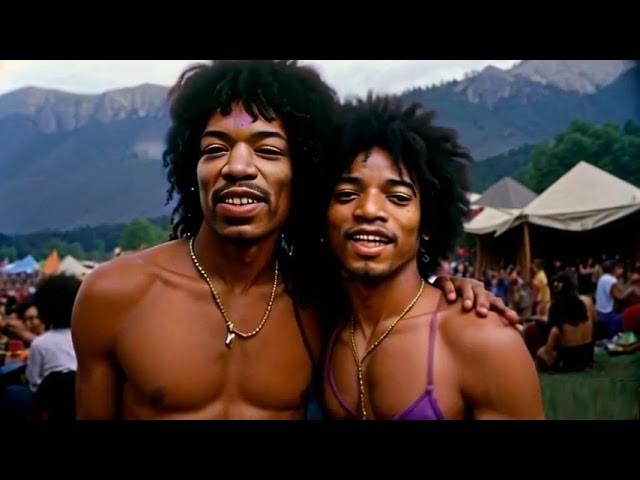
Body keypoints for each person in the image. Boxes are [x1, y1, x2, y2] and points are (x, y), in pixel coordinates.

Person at [72, 61, 518, 420]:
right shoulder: (116, 294)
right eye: (215, 149)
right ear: (192, 170)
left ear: (302, 175)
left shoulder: (321, 301)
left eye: (267, 150)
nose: (239, 166)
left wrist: (450, 286)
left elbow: (392, 293)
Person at [322, 96, 543, 420]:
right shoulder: (320, 327)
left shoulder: (483, 339)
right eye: (346, 194)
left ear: (428, 223)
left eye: (398, 197)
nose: (368, 210)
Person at [536, 272, 595, 372]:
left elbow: (554, 330)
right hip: (587, 355)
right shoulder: (586, 302)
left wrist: (547, 350)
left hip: (568, 360)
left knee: (540, 352)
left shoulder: (555, 307)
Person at [595, 260, 635, 338]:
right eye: (617, 267)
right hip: (607, 313)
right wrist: (632, 289)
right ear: (613, 269)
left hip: (599, 311)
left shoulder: (603, 277)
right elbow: (620, 297)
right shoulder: (611, 280)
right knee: (624, 320)